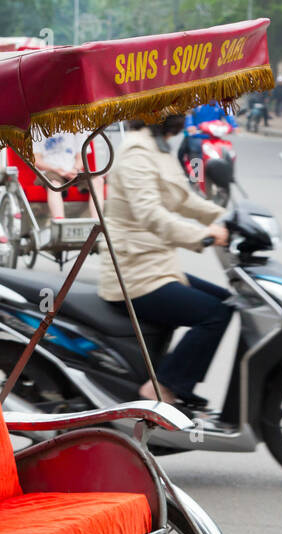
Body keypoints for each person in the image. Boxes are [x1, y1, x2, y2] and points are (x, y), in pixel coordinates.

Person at [97, 115, 230, 408]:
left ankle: (176, 379)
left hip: (158, 266)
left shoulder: (158, 147)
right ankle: (162, 387)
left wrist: (226, 219)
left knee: (229, 302)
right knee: (215, 313)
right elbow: (151, 215)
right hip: (134, 273)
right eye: (179, 108)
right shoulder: (136, 152)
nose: (184, 114)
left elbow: (183, 200)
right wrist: (204, 235)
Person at [33, 131, 105, 221]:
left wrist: (75, 170)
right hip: (50, 171)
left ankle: (97, 221)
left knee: (98, 181)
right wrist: (58, 170)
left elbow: (81, 157)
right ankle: (60, 222)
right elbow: (37, 160)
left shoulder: (77, 128)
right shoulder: (37, 130)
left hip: (74, 170)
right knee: (54, 185)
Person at [181, 101, 236, 168]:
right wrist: (190, 125)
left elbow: (228, 115)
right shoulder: (195, 101)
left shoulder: (220, 104)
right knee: (196, 151)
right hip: (197, 136)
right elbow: (189, 114)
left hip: (213, 137)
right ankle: (197, 174)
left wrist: (234, 126)